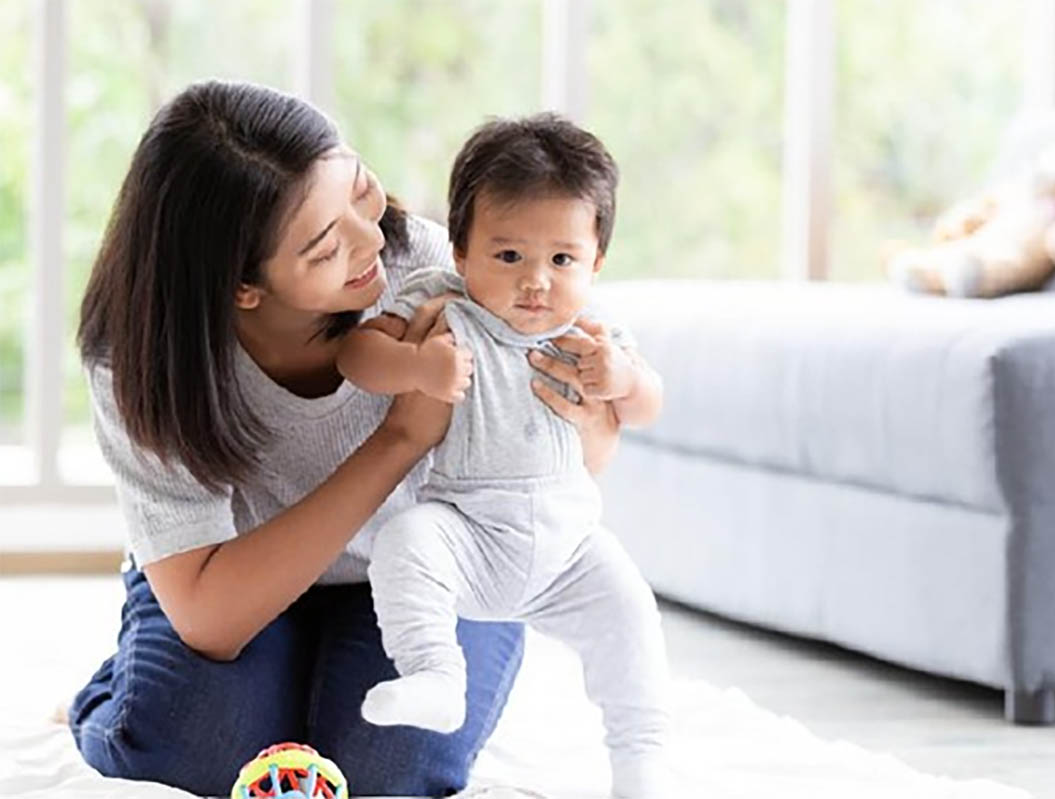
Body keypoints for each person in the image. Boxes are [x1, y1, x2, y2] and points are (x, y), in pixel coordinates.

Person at [68, 80, 624, 797]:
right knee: (196, 754)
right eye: (328, 246)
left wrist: (597, 405)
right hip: (231, 575)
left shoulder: (435, 272)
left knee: (385, 772)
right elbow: (210, 618)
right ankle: (111, 692)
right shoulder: (142, 356)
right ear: (243, 287)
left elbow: (580, 455)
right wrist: (397, 438)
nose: (374, 241)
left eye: (362, 191)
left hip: (429, 569)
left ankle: (309, 679)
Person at [336, 114, 671, 799]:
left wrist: (623, 381)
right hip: (468, 533)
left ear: (596, 260)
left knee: (631, 616)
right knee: (405, 542)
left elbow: (648, 404)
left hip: (569, 545)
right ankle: (435, 673)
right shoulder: (443, 302)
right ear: (460, 251)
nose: (537, 283)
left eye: (563, 259)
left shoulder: (593, 331)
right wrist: (415, 366)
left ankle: (640, 762)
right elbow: (355, 354)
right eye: (509, 256)